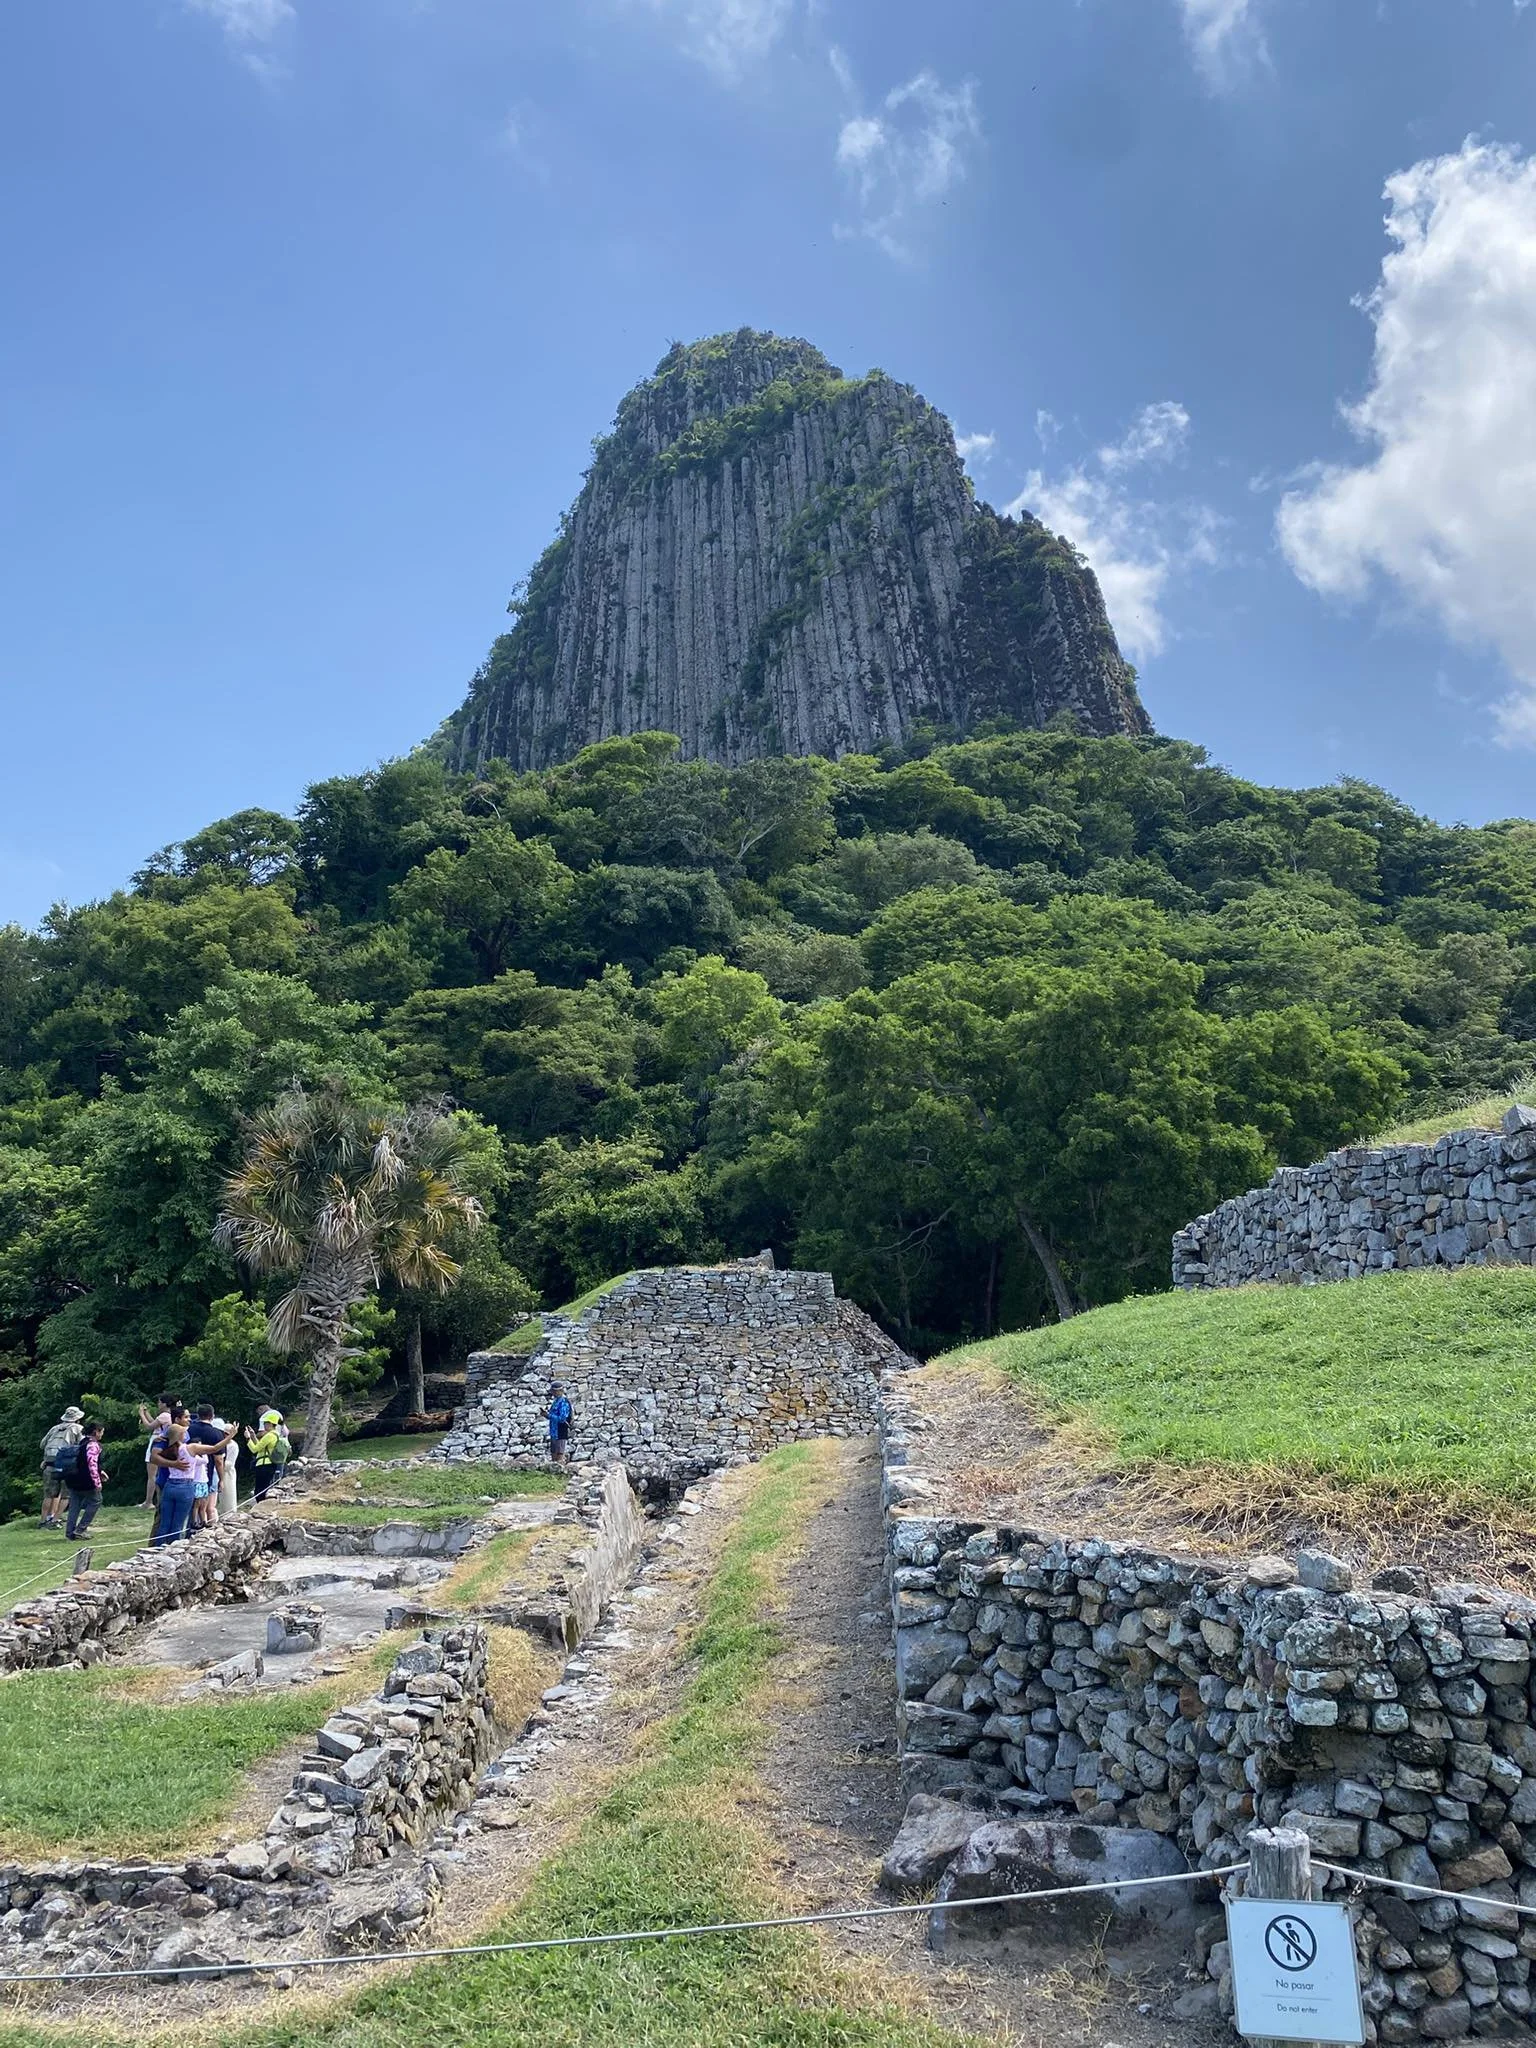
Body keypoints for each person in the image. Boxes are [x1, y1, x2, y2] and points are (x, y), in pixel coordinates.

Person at [149, 1423, 199, 1545]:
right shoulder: (162, 1442)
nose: (188, 1420)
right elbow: (153, 1458)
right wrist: (174, 1464)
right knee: (163, 1518)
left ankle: (163, 1544)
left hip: (172, 1483)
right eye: (185, 1417)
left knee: (170, 1520)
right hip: (166, 1481)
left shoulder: (182, 1439)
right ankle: (157, 1545)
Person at [185, 1404, 234, 1528]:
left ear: (198, 1414)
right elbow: (219, 1460)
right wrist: (221, 1479)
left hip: (187, 1471)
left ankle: (189, 1529)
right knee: (204, 1505)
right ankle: (202, 1528)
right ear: (212, 1416)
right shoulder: (216, 1434)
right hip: (206, 1473)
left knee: (190, 1505)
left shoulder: (188, 1430)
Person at [40, 1407, 85, 1529]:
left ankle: (43, 1521)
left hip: (49, 1464)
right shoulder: (78, 1428)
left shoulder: (54, 1428)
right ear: (77, 1418)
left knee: (49, 1495)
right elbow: (83, 1446)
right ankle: (55, 1520)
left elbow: (42, 1444)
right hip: (67, 1466)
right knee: (66, 1495)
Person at [64, 1422, 108, 1542]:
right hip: (86, 1481)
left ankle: (69, 1532)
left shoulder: (82, 1443)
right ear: (96, 1432)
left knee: (74, 1506)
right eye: (101, 1432)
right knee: (96, 1500)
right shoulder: (93, 1445)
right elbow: (91, 1464)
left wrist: (101, 1471)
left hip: (73, 1479)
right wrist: (97, 1483)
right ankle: (80, 1530)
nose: (102, 1434)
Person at [138, 1395, 175, 1508]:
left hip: (156, 1441)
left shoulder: (164, 1415)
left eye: (159, 1402)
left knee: (152, 1474)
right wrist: (147, 1413)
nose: (158, 1404)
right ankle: (153, 1500)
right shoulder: (169, 1415)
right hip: (163, 1442)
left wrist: (141, 1414)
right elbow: (155, 1423)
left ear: (164, 1404)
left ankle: (149, 1501)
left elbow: (149, 1426)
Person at [246, 1409, 288, 1502]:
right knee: (265, 1487)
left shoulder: (269, 1436)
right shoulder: (276, 1435)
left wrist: (248, 1438)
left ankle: (261, 1505)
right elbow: (261, 1447)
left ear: (270, 1424)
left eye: (265, 1423)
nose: (264, 1425)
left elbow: (254, 1449)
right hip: (271, 1464)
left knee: (259, 1490)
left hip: (264, 1465)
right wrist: (253, 1436)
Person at [214, 1414, 239, 1520]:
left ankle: (229, 1516)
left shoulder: (233, 1445)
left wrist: (220, 1462)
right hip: (217, 1471)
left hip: (227, 1473)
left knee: (228, 1495)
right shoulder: (220, 1444)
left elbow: (230, 1463)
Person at [547, 1383, 573, 1464]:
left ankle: (559, 1466)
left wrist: (549, 1415)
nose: (553, 1393)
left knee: (559, 1453)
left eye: (554, 1391)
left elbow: (562, 1418)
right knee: (553, 1452)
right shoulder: (556, 1401)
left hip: (560, 1430)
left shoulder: (564, 1402)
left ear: (559, 1391)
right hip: (553, 1431)